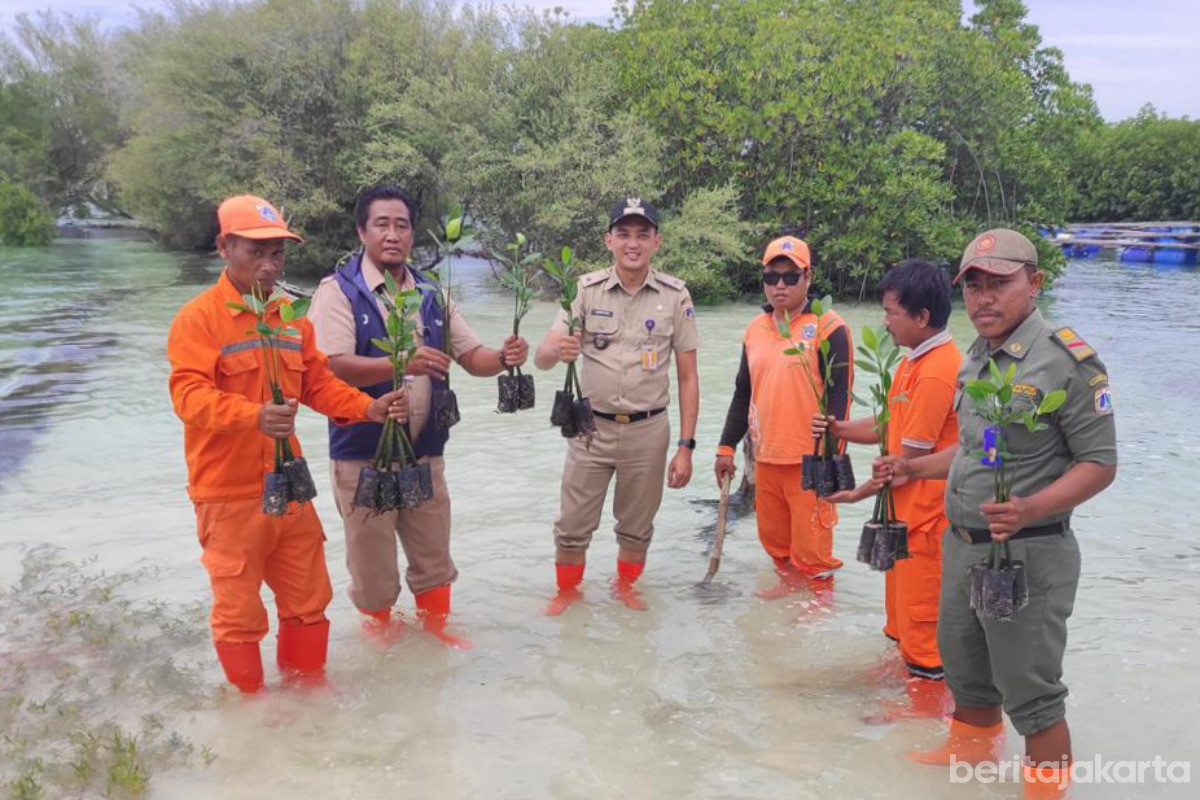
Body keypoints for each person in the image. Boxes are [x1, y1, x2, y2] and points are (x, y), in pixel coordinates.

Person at [874, 230, 1117, 798]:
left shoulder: (1066, 361)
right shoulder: (979, 356)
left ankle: (1045, 790)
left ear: (1034, 284)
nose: (984, 297)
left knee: (1031, 692)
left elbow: (1100, 463)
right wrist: (914, 469)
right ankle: (970, 760)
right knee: (967, 668)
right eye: (974, 285)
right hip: (965, 546)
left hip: (1027, 552)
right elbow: (980, 448)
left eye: (1000, 283)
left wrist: (1033, 505)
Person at [167, 194, 408, 694]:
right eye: (255, 251)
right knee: (238, 610)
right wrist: (252, 416)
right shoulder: (198, 319)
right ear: (223, 247)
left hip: (291, 486)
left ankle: (307, 700)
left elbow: (319, 384)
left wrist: (369, 407)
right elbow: (188, 397)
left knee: (308, 599)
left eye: (277, 252)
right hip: (228, 493)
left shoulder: (291, 317)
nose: (269, 263)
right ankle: (253, 711)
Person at [308, 185, 528, 649]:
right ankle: (382, 641)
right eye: (382, 224)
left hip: (425, 452)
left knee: (433, 556)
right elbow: (331, 364)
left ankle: (435, 635)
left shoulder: (431, 291)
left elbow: (472, 357)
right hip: (363, 454)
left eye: (402, 225)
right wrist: (400, 363)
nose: (392, 234)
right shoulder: (338, 292)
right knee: (372, 567)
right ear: (361, 231)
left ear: (413, 235)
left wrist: (505, 357)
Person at [534, 197, 700, 614]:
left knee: (636, 527)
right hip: (591, 429)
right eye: (623, 234)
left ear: (657, 242)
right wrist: (560, 348)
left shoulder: (675, 296)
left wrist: (686, 446)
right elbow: (542, 358)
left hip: (649, 430)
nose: (633, 243)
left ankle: (625, 589)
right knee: (572, 526)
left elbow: (688, 376)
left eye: (642, 234)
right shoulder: (584, 292)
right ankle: (566, 595)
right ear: (609, 240)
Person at [811, 259, 960, 717]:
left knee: (922, 626)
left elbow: (906, 462)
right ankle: (906, 679)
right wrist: (838, 427)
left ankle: (921, 712)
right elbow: (885, 424)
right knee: (900, 618)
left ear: (921, 317)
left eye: (892, 313)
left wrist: (855, 494)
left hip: (926, 522)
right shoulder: (914, 361)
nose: (885, 322)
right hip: (903, 518)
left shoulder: (938, 371)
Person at [714, 236, 853, 598]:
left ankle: (816, 622)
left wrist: (829, 464)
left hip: (810, 462)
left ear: (808, 277)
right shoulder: (754, 329)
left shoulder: (829, 328)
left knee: (815, 558)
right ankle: (789, 604)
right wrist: (725, 447)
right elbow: (743, 392)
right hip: (766, 460)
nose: (780, 284)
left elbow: (840, 402)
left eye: (790, 277)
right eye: (771, 276)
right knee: (776, 547)